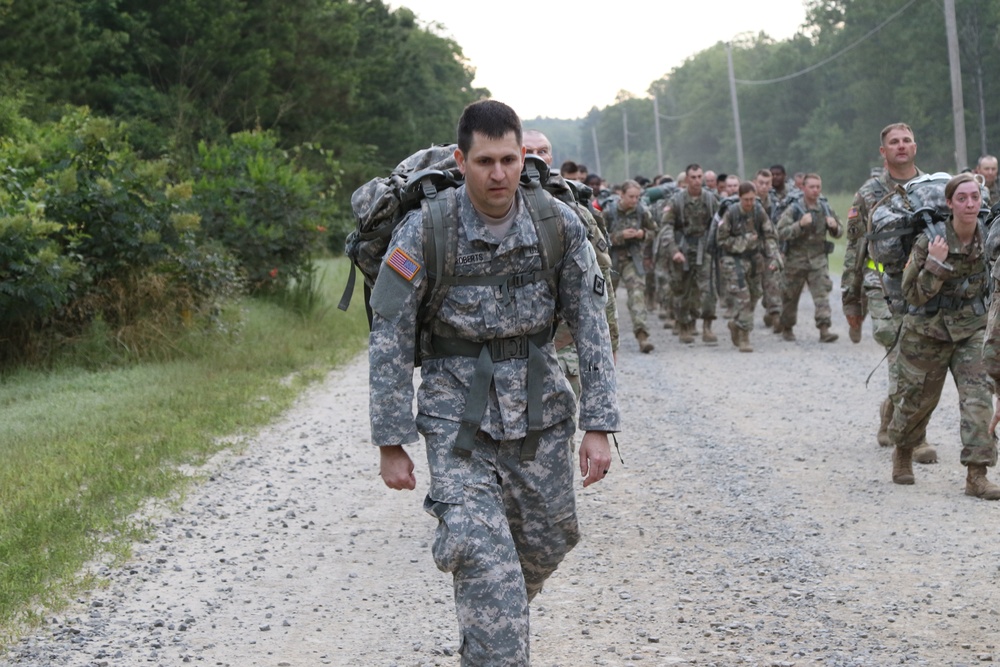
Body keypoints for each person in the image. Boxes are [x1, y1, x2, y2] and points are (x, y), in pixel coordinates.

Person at [370, 100, 621, 664]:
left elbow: (591, 325)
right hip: (456, 420)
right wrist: (391, 441)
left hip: (541, 414)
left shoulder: (558, 222)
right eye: (485, 161)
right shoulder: (425, 229)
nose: (499, 173)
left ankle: (493, 619)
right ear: (461, 161)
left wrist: (600, 424)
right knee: (484, 560)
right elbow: (388, 336)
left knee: (550, 540)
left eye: (510, 159)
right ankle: (494, 628)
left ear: (523, 157)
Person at [889, 173, 998, 499]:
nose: (969, 204)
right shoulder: (930, 241)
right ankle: (904, 451)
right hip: (927, 332)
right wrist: (935, 266)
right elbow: (912, 295)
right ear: (950, 203)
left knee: (978, 401)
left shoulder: (987, 239)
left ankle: (977, 475)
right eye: (962, 198)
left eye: (974, 198)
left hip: (970, 332)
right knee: (917, 402)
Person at [841, 123, 936, 463]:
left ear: (915, 147)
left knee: (920, 359)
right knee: (899, 352)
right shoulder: (869, 192)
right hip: (881, 284)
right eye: (893, 142)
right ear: (883, 152)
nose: (900, 146)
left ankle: (892, 412)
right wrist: (851, 300)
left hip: (923, 288)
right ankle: (914, 436)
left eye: (906, 140)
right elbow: (854, 249)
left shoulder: (932, 188)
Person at [523, 128, 620, 392]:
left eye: (541, 152)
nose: (535, 159)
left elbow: (601, 278)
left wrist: (610, 344)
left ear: (551, 158)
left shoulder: (574, 211)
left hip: (562, 344)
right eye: (527, 152)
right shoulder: (491, 209)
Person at [658, 163, 720, 344]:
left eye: (699, 177)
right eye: (693, 177)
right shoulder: (677, 201)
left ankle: (707, 327)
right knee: (682, 290)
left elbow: (720, 224)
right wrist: (673, 251)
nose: (697, 181)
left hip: (705, 249)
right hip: (683, 249)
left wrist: (718, 247)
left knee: (708, 290)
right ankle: (684, 325)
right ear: (686, 179)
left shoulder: (710, 200)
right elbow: (666, 227)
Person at [775, 173, 841, 342]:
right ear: (803, 188)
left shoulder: (825, 208)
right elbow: (781, 232)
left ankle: (824, 330)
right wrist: (800, 225)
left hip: (818, 260)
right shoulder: (794, 209)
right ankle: (787, 327)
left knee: (822, 295)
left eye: (818, 187)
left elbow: (840, 231)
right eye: (811, 187)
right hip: (795, 261)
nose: (815, 190)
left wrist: (834, 227)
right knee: (790, 297)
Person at [717, 181, 779, 352]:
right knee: (743, 299)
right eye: (746, 200)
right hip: (733, 261)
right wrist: (744, 241)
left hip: (754, 260)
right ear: (739, 198)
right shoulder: (731, 213)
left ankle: (737, 324)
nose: (749, 203)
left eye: (752, 199)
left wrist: (774, 255)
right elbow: (721, 240)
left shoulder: (759, 211)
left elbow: (769, 234)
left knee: (754, 295)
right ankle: (744, 337)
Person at [605, 179, 658, 353]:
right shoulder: (609, 212)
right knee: (605, 300)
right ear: (621, 194)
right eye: (631, 197)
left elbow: (654, 231)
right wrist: (620, 236)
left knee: (637, 296)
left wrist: (643, 234)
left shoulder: (642, 211)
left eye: (637, 197)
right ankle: (605, 339)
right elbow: (597, 237)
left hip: (632, 259)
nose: (634, 200)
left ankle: (642, 337)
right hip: (611, 260)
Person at [753, 168, 783, 326]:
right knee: (754, 286)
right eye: (761, 183)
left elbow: (781, 227)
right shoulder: (748, 201)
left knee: (772, 280)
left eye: (767, 183)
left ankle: (775, 313)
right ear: (755, 183)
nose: (764, 186)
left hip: (769, 247)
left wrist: (781, 250)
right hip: (749, 249)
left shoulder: (776, 204)